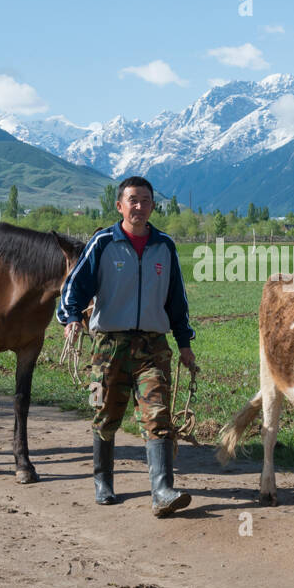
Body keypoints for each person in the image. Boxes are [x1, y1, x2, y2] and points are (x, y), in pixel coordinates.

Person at [57, 176, 197, 516]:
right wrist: (71, 317)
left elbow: (176, 299)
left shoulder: (164, 246)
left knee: (158, 415)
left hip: (153, 346)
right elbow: (74, 286)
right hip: (108, 346)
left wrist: (184, 344)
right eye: (132, 200)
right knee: (105, 412)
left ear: (152, 206)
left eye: (145, 200)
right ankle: (103, 482)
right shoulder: (103, 242)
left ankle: (162, 491)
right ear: (119, 205)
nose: (139, 206)